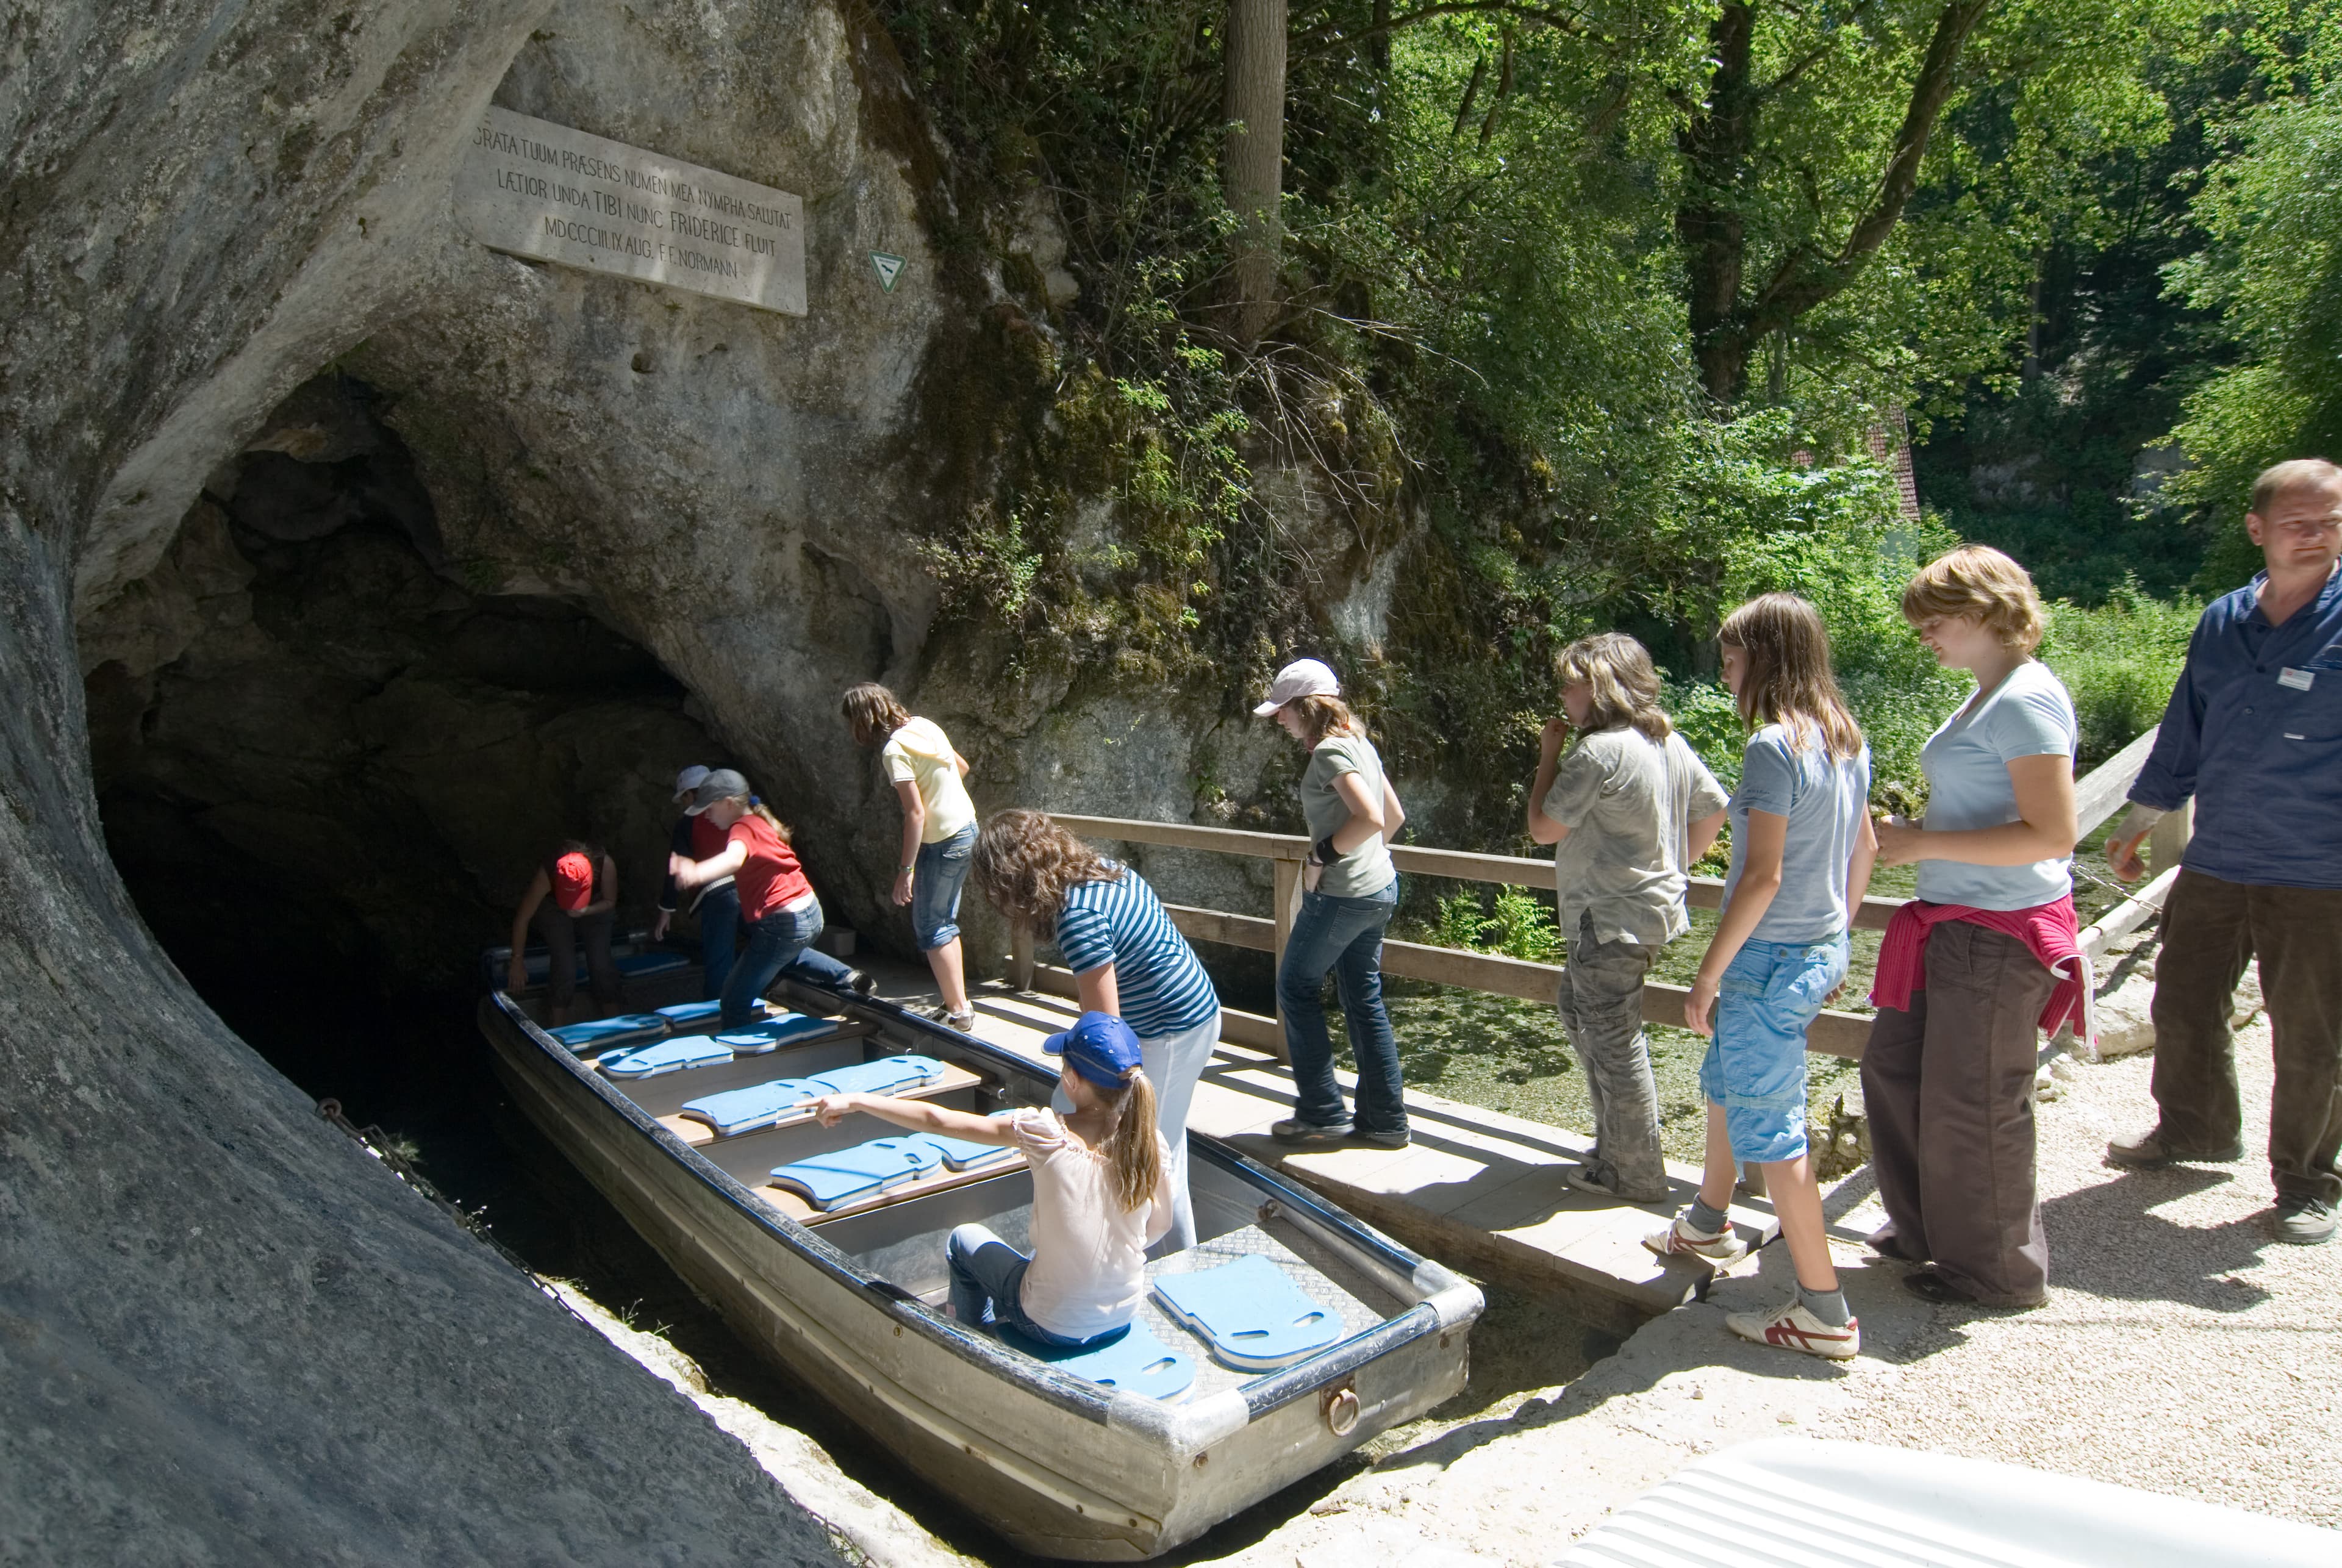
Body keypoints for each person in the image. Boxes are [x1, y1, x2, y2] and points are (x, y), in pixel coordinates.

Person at [2102, 457, 2342, 1246]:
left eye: (2333, 519)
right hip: (2219, 853)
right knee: (2181, 997)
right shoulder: (2222, 619)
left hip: (2319, 869)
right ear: (2258, 529)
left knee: (2311, 1030)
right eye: (2301, 520)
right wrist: (2143, 815)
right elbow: (2186, 727)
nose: (2319, 533)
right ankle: (2197, 1128)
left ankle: (2308, 1180)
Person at [1645, 593, 1878, 1359]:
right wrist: (1835, 941)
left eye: (1733, 659)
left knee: (1776, 1135)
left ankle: (1823, 1309)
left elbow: (1762, 877)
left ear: (1766, 660)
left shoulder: (1775, 749)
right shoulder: (1847, 741)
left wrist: (1707, 975)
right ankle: (1709, 1224)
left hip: (1767, 958)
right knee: (1726, 1079)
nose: (1725, 674)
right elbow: (1864, 852)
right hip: (1813, 948)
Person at [1864, 545, 2082, 1307]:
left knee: (1977, 1098)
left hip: (1998, 930)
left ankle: (1997, 1270)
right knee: (1893, 1070)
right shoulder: (1988, 694)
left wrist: (1922, 842)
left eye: (1934, 620)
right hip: (1951, 922)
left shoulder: (2026, 698)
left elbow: (2053, 833)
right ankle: (1926, 1229)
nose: (1923, 634)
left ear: (1986, 610)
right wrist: (1923, 833)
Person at [814, 1011, 1173, 1345]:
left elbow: (937, 1120)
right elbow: (1159, 1226)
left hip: (1049, 1325)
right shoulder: (1150, 1141)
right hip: (1122, 1315)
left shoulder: (1045, 1132)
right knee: (1040, 1250)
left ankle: (974, 1341)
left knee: (963, 1239)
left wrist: (858, 1100)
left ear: (1071, 1079)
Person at [1528, 633, 1729, 1201]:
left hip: (1609, 916)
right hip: (1650, 911)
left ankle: (1635, 1172)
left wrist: (1549, 754)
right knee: (1579, 1010)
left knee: (1614, 1037)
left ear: (1600, 687)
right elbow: (1714, 811)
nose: (1564, 695)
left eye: (1571, 684)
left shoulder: (1598, 751)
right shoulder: (1666, 742)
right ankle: (1615, 1147)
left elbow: (1543, 828)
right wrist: (1672, 865)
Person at [972, 809, 1219, 1253]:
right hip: (1193, 1014)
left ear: (1011, 882)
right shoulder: (1100, 868)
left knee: (1147, 1154)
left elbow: (1106, 1031)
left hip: (1168, 1032)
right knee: (1165, 1148)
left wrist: (1088, 1111)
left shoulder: (1077, 916)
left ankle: (1139, 1263)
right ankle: (1173, 1261)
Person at [1252, 658, 1411, 1151]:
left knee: (1295, 986)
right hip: (1380, 889)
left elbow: (1369, 815)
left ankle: (1322, 1112)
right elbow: (1395, 817)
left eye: (1284, 710)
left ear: (1307, 707)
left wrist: (1321, 855)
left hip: (1343, 894)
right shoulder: (1362, 744)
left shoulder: (1328, 753)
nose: (1279, 720)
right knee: (1363, 999)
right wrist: (1363, 854)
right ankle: (1385, 1121)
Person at [669, 769, 873, 1028]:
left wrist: (696, 872)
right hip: (810, 912)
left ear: (729, 804)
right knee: (781, 956)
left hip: (785, 922)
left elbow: (733, 859)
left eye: (709, 809)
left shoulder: (742, 828)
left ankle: (744, 1061)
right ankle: (847, 977)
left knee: (733, 999)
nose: (706, 816)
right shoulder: (758, 821)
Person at [842, 684, 979, 1031]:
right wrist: (943, 797)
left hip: (942, 842)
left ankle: (960, 1012)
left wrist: (906, 871)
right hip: (967, 828)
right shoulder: (925, 724)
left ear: (862, 720)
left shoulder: (894, 750)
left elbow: (915, 814)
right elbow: (961, 767)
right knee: (945, 921)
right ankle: (958, 1004)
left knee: (932, 928)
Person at [507, 840, 622, 1025]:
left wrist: (586, 910)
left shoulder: (605, 865)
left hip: (596, 905)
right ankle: (557, 1028)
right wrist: (517, 960)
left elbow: (610, 901)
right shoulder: (548, 873)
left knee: (601, 964)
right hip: (555, 908)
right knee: (564, 964)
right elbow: (523, 918)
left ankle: (616, 1022)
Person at [654, 764, 742, 1000]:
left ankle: (717, 1013)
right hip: (749, 890)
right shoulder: (735, 810)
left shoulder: (687, 823)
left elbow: (676, 868)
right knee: (764, 947)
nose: (684, 806)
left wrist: (666, 910)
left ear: (691, 795)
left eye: (683, 799)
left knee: (719, 960)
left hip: (718, 896)